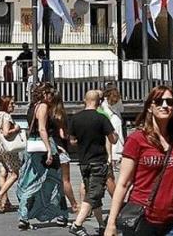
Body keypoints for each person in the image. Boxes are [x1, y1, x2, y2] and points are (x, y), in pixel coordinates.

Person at [105, 86, 173, 236]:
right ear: (150, 107)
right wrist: (111, 223)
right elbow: (123, 183)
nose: (164, 105)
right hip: (143, 217)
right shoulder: (137, 139)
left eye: (169, 102)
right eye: (159, 101)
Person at [16, 82, 68, 231]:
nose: (52, 97)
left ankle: (24, 215)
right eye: (50, 94)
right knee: (56, 181)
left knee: (30, 180)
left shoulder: (32, 107)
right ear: (45, 94)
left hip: (32, 145)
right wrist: (49, 150)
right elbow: (42, 129)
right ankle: (61, 214)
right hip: (43, 147)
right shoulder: (44, 107)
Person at [69, 90, 117, 236]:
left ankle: (102, 224)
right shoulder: (101, 118)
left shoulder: (75, 118)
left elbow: (72, 141)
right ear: (98, 101)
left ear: (85, 100)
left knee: (93, 194)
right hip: (98, 160)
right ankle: (77, 224)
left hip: (83, 161)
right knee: (94, 194)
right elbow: (113, 139)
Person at [0, 95, 22, 213]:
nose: (13, 105)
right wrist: (16, 129)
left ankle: (5, 202)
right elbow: (6, 133)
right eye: (11, 103)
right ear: (6, 104)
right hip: (8, 148)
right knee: (15, 173)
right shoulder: (6, 116)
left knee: (3, 173)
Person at [51, 90, 78, 216]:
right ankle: (73, 204)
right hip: (61, 149)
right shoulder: (60, 115)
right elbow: (62, 134)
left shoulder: (47, 114)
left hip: (51, 150)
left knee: (53, 180)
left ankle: (56, 205)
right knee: (65, 180)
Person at [99, 86, 125, 196]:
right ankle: (116, 199)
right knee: (110, 177)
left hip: (117, 144)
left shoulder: (113, 107)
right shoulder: (105, 109)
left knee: (112, 177)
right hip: (112, 145)